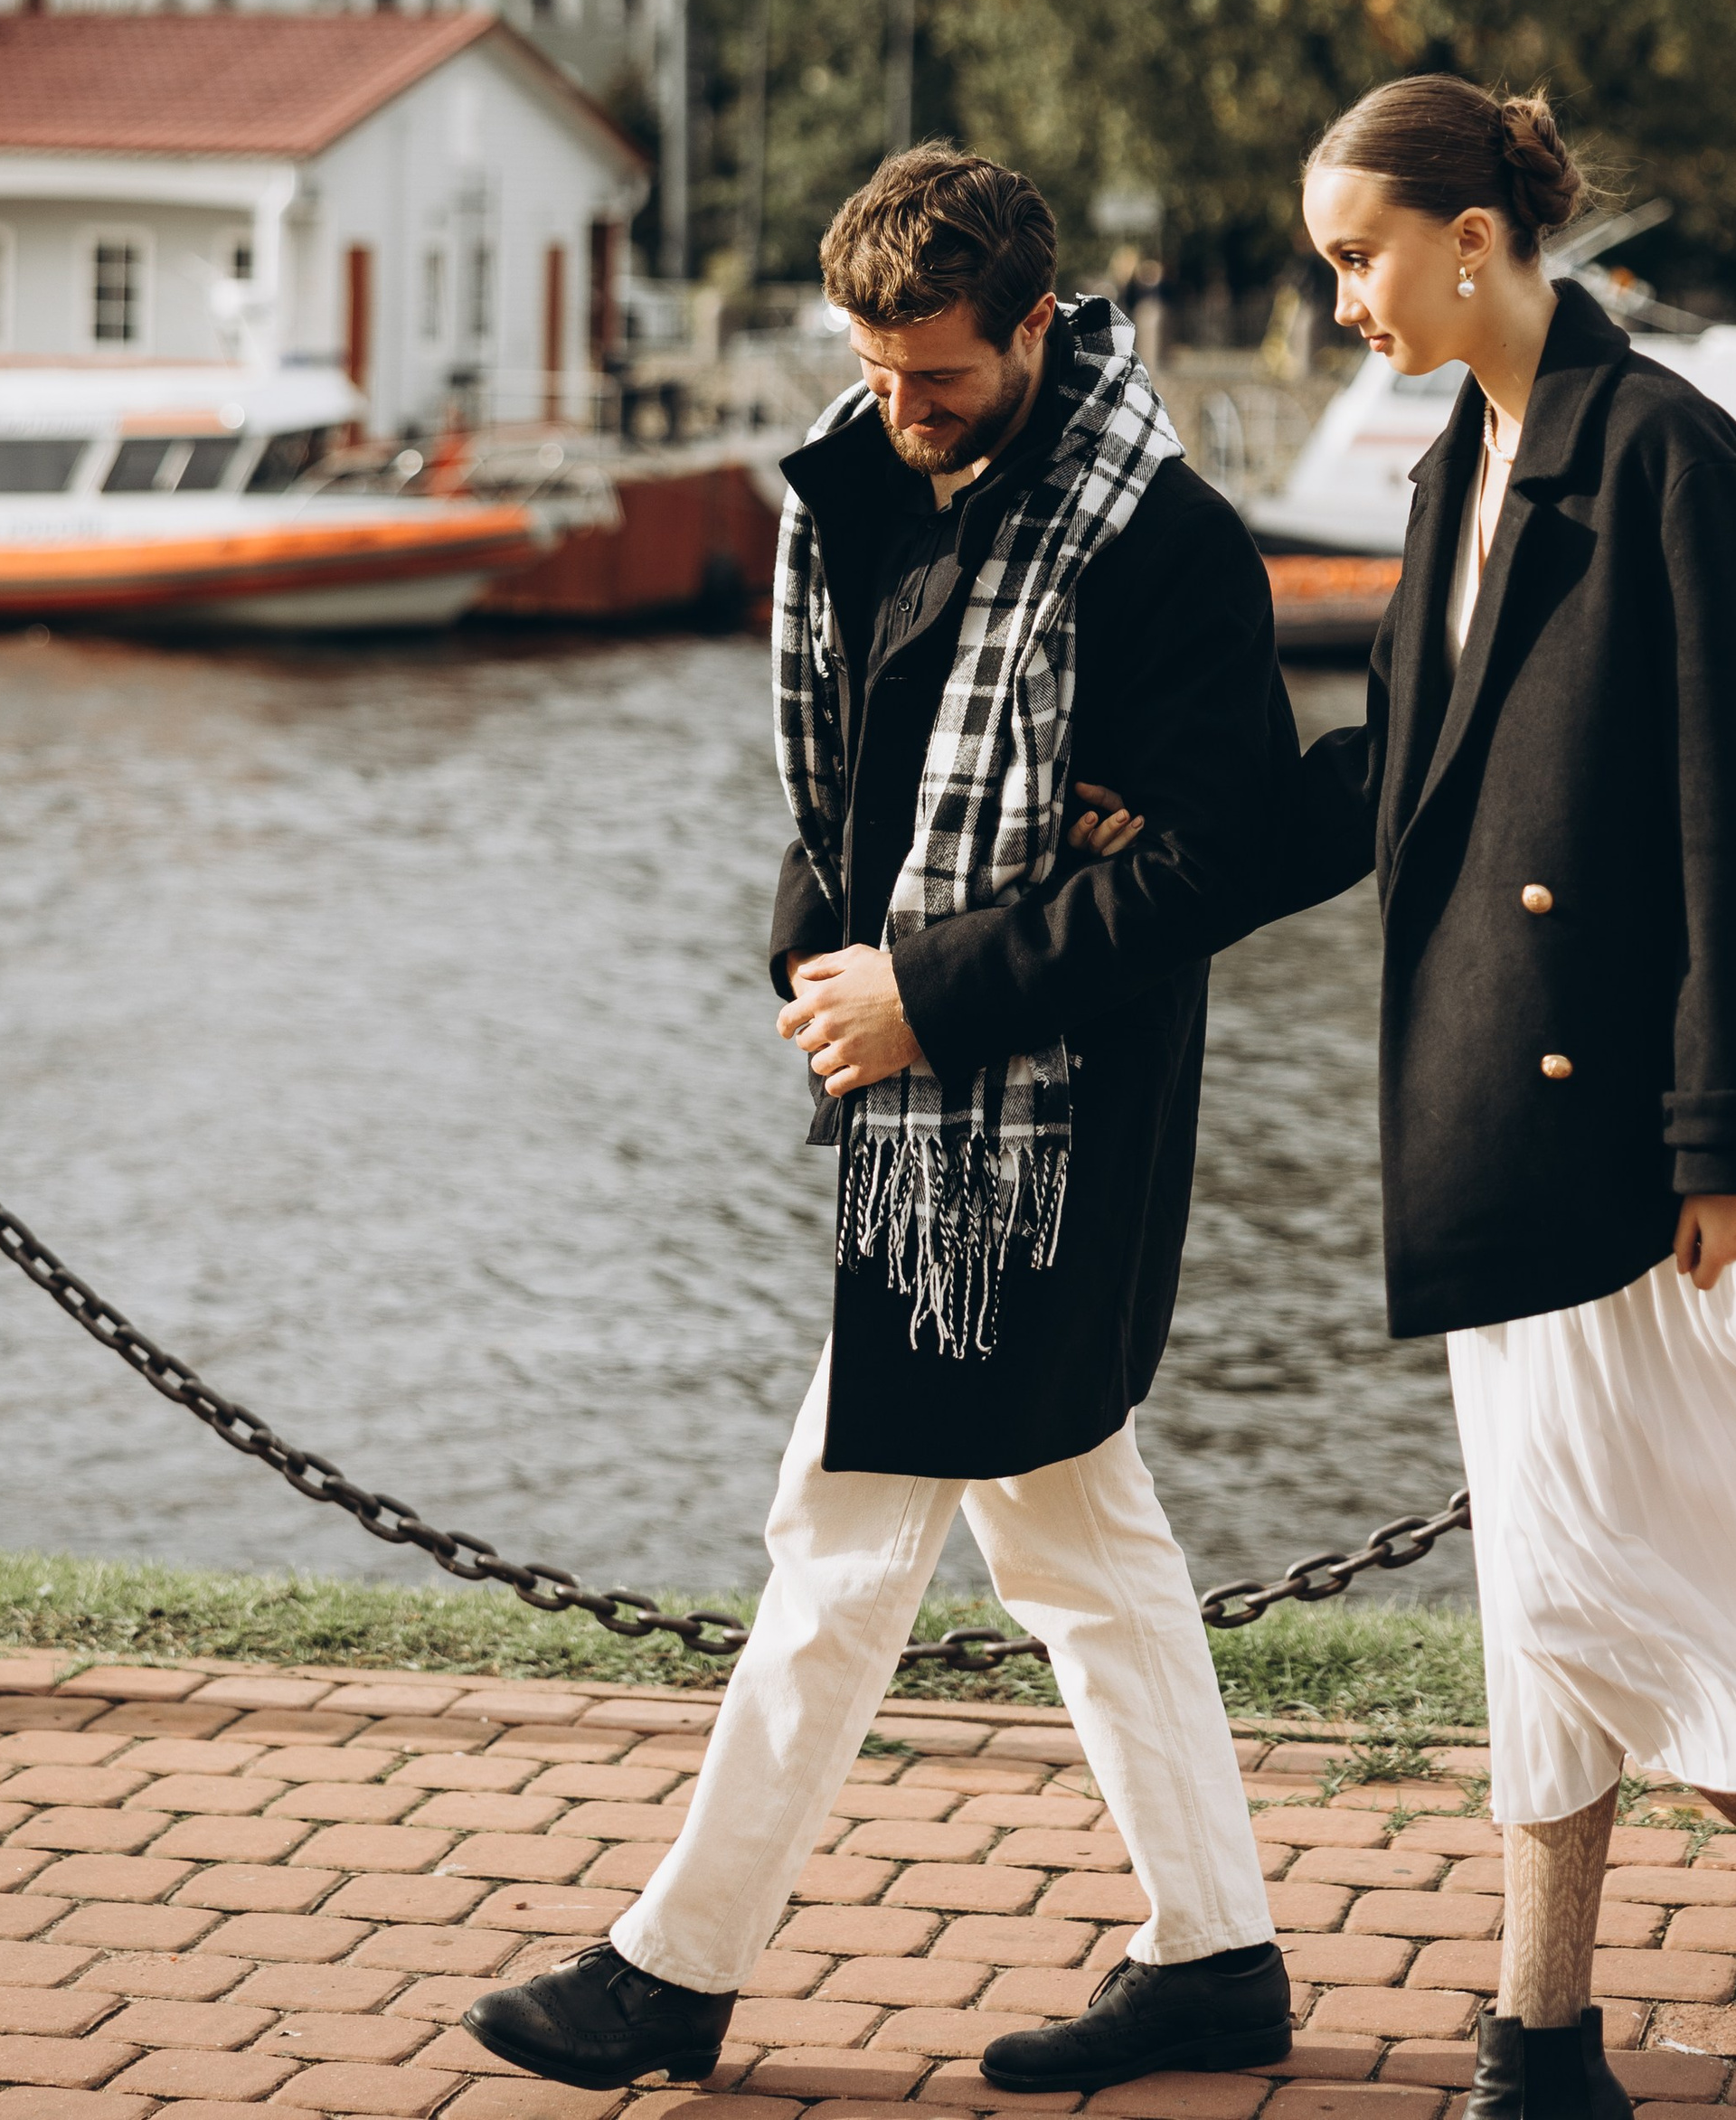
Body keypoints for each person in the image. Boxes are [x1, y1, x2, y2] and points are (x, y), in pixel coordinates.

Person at [468, 144, 1304, 2097]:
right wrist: (820, 971)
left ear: (1035, 326)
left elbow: (1211, 867)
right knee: (1079, 1554)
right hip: (909, 1101)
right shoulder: (853, 487)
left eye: (940, 375)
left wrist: (933, 991)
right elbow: (838, 793)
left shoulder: (1162, 544)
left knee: (838, 1539)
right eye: (875, 367)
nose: (903, 410)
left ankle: (671, 1967)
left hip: (1044, 1133)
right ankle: (1217, 1957)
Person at [1274, 75, 1736, 2120]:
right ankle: (1547, 2036)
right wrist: (1143, 850)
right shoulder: (1457, 465)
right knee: (1552, 1582)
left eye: (1355, 256)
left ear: (1469, 236)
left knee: (1585, 1579)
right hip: (1486, 1126)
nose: (1339, 300)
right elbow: (1398, 782)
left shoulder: (1664, 454)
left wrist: (1732, 1141)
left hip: (1622, 1138)